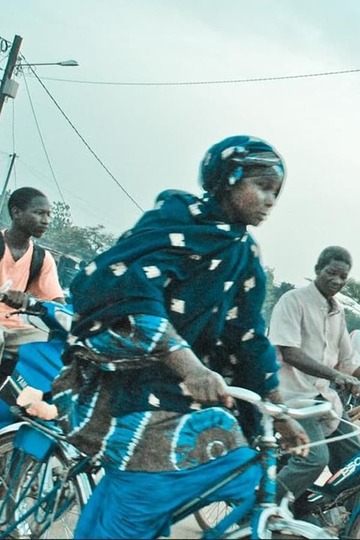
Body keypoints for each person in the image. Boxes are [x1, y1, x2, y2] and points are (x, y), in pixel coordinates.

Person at [18, 136, 309, 539]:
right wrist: (188, 366)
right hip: (133, 384)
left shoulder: (244, 252)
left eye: (276, 192)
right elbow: (132, 295)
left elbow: (247, 338)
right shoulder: (175, 221)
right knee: (132, 513)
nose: (270, 200)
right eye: (262, 187)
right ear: (228, 179)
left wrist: (279, 412)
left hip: (189, 395)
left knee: (245, 472)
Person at [269, 246, 360, 505]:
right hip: (293, 398)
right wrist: (336, 375)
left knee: (354, 461)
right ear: (318, 269)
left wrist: (349, 375)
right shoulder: (293, 300)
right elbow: (289, 352)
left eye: (343, 277)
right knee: (314, 458)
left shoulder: (338, 312)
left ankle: (331, 517)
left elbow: (348, 361)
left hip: (325, 402)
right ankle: (260, 509)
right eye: (332, 273)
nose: (337, 281)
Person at [0, 187, 65, 386]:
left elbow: (57, 302)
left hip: (15, 326)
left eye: (48, 215)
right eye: (39, 213)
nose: (46, 220)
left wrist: (34, 303)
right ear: (16, 212)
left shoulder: (42, 258)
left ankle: (26, 407)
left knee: (49, 347)